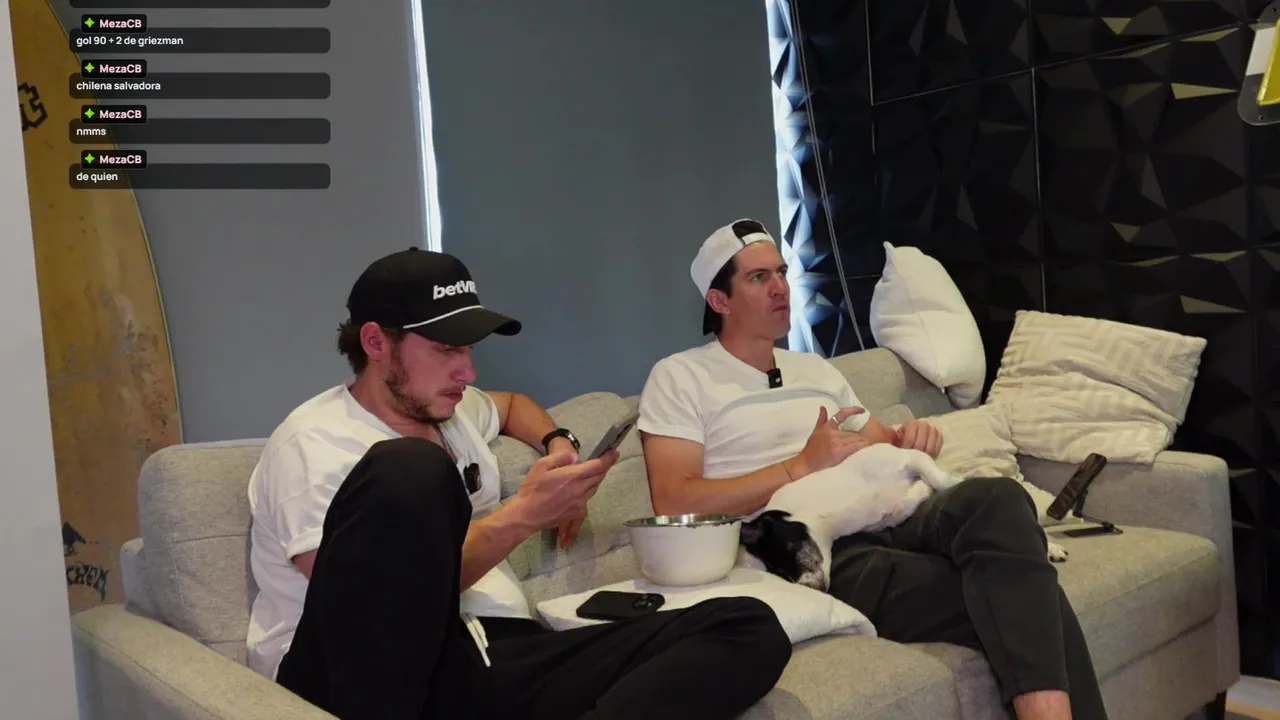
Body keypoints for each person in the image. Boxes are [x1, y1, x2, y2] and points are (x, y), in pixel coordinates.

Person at [244, 247, 792, 720]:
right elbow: (377, 602)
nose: (468, 372)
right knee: (412, 469)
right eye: (446, 349)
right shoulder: (314, 444)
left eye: (469, 349)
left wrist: (558, 444)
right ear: (375, 342)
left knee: (748, 626)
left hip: (486, 652)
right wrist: (525, 515)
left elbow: (510, 407)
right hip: (358, 674)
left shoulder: (446, 409)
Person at [635, 219, 1108, 720]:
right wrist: (798, 466)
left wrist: (913, 437)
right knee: (1028, 595)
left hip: (893, 507)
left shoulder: (816, 369)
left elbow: (881, 439)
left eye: (781, 272)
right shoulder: (681, 376)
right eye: (758, 277)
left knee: (997, 497)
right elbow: (674, 500)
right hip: (816, 547)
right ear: (719, 301)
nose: (780, 287)